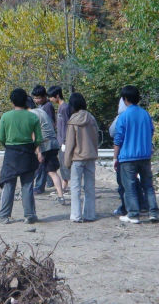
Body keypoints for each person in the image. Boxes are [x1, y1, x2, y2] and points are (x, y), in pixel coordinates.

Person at [0, 88, 43, 225]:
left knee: (8, 183)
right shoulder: (33, 116)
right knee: (27, 185)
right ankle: (29, 215)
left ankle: (3, 216)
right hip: (28, 152)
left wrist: (9, 146)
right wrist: (32, 148)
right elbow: (39, 138)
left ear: (12, 102)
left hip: (11, 153)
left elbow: (1, 138)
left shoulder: (6, 116)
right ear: (26, 100)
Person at [113, 85, 159, 224]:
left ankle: (133, 214)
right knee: (148, 185)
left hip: (128, 157)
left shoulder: (124, 116)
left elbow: (118, 138)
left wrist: (115, 157)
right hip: (145, 156)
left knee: (130, 187)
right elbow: (151, 131)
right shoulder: (145, 114)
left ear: (125, 99)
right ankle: (153, 213)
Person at [64, 93, 98, 223]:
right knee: (89, 187)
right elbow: (96, 138)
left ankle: (76, 215)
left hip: (77, 158)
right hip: (90, 156)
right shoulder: (91, 118)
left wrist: (67, 162)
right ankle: (90, 214)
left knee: (76, 187)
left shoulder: (73, 121)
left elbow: (70, 143)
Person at [109, 98, 147, 216]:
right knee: (138, 182)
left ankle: (128, 209)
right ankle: (143, 205)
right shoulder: (142, 114)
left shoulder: (122, 117)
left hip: (125, 155)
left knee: (124, 185)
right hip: (142, 154)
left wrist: (115, 157)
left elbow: (113, 133)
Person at [26, 97, 66, 205]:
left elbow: (34, 135)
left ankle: (23, 193)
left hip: (44, 144)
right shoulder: (41, 111)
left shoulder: (31, 114)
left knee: (32, 170)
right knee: (52, 172)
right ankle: (61, 197)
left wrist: (38, 152)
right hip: (54, 143)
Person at [31, 85, 55, 194]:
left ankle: (40, 186)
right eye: (35, 98)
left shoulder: (47, 106)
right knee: (45, 163)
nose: (36, 100)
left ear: (45, 96)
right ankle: (49, 182)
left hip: (45, 139)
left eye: (39, 98)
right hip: (44, 139)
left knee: (41, 163)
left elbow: (50, 123)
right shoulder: (40, 107)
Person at [48, 85, 71, 193]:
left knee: (65, 165)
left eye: (51, 97)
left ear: (57, 96)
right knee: (62, 165)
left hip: (64, 142)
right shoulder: (60, 108)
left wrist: (65, 142)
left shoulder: (65, 108)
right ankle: (63, 187)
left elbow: (67, 126)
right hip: (60, 141)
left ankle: (65, 187)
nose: (50, 99)